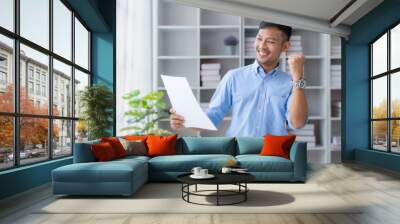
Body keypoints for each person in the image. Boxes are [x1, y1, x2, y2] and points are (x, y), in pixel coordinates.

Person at [170, 21, 308, 137]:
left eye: (270, 41)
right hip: (237, 154)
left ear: (285, 46)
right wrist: (185, 120)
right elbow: (212, 117)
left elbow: (297, 123)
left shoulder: (291, 83)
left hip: (273, 155)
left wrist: (298, 78)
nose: (262, 46)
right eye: (259, 39)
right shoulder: (233, 77)